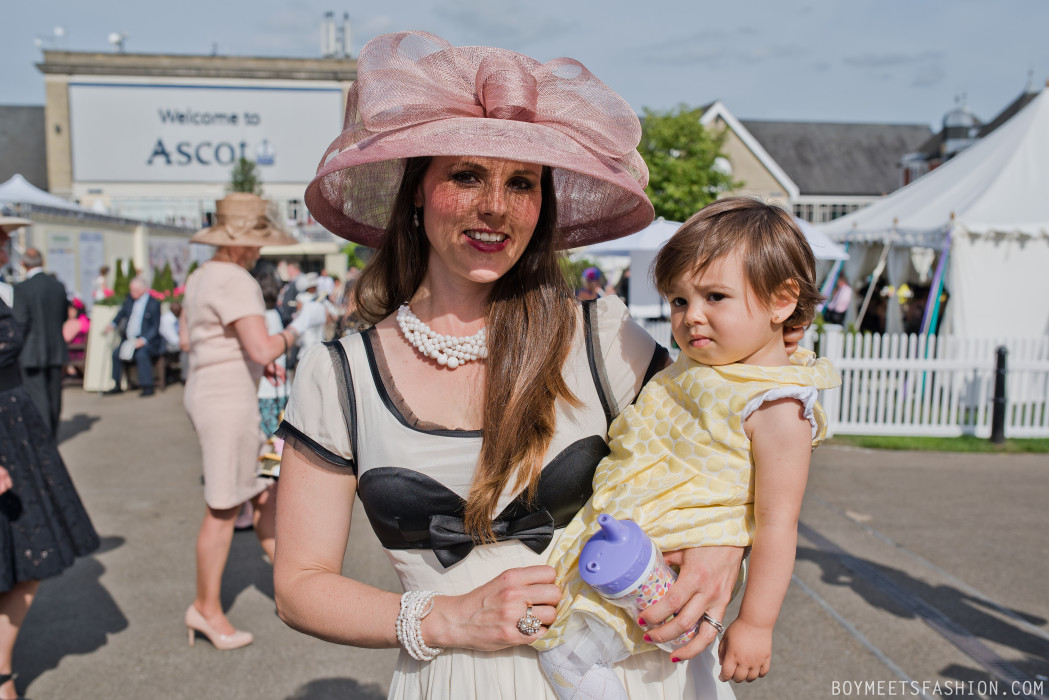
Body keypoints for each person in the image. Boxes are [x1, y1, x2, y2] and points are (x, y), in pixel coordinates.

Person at [273, 31, 804, 699]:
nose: (495, 206)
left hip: (629, 676)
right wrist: (444, 619)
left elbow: (740, 441)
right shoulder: (338, 376)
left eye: (520, 183)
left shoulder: (601, 338)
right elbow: (299, 587)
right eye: (466, 174)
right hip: (454, 681)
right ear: (417, 191)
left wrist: (723, 546)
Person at [534, 198, 841, 698]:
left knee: (564, 653)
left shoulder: (777, 406)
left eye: (715, 297)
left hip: (664, 568)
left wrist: (757, 623)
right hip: (626, 542)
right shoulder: (703, 369)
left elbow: (778, 523)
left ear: (782, 301)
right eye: (679, 301)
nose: (691, 317)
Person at [180, 192, 310, 650]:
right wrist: (296, 330)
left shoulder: (200, 276)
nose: (260, 251)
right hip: (230, 402)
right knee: (222, 508)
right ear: (239, 242)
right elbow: (262, 349)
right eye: (256, 243)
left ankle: (292, 585)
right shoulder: (236, 279)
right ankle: (206, 609)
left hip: (212, 394)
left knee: (263, 487)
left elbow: (185, 339)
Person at [0, 217, 100, 700]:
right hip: (8, 430)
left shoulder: (12, 290)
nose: (7, 244)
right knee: (27, 550)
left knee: (25, 556)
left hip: (17, 418)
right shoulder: (32, 288)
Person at [12, 248, 69, 436]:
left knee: (38, 397)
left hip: (31, 351)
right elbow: (62, 316)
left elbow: (21, 322)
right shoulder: (57, 286)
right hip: (56, 348)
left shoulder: (22, 288)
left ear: (23, 263)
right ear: (42, 262)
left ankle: (45, 437)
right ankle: (52, 432)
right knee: (54, 395)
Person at [104, 277, 164, 397]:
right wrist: (112, 324)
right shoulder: (130, 300)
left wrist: (144, 340)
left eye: (135, 290)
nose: (132, 293)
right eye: (131, 290)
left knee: (142, 354)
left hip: (147, 340)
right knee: (116, 354)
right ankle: (116, 384)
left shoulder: (153, 303)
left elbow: (155, 326)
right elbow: (121, 313)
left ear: (143, 289)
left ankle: (147, 386)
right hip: (130, 339)